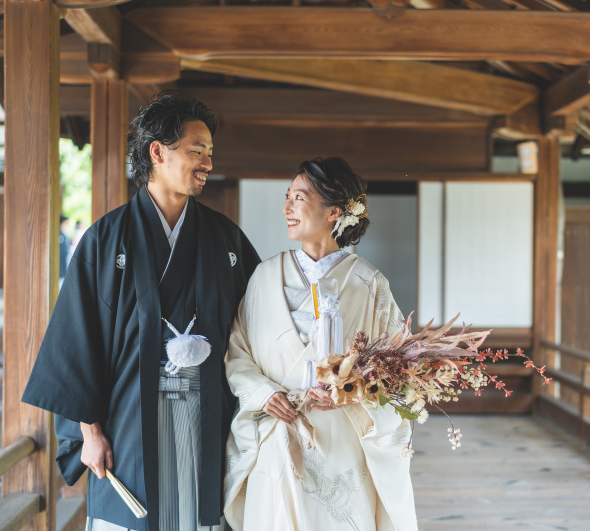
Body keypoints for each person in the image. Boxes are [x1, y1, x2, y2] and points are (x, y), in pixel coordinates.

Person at [22, 91, 261, 531]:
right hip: (129, 420)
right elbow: (77, 341)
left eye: (210, 152)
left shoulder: (224, 238)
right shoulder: (105, 239)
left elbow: (258, 326)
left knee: (199, 514)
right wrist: (90, 433)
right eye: (197, 151)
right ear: (157, 152)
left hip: (207, 415)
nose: (208, 162)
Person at [223, 157, 417, 531]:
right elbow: (238, 351)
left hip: (342, 439)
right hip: (278, 430)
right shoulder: (264, 276)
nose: (287, 207)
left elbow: (400, 372)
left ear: (334, 212)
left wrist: (353, 392)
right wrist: (263, 393)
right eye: (287, 197)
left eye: (299, 197)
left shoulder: (369, 283)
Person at [59, 214, 72, 289]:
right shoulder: (59, 234)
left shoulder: (65, 235)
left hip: (65, 262)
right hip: (60, 264)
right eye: (66, 223)